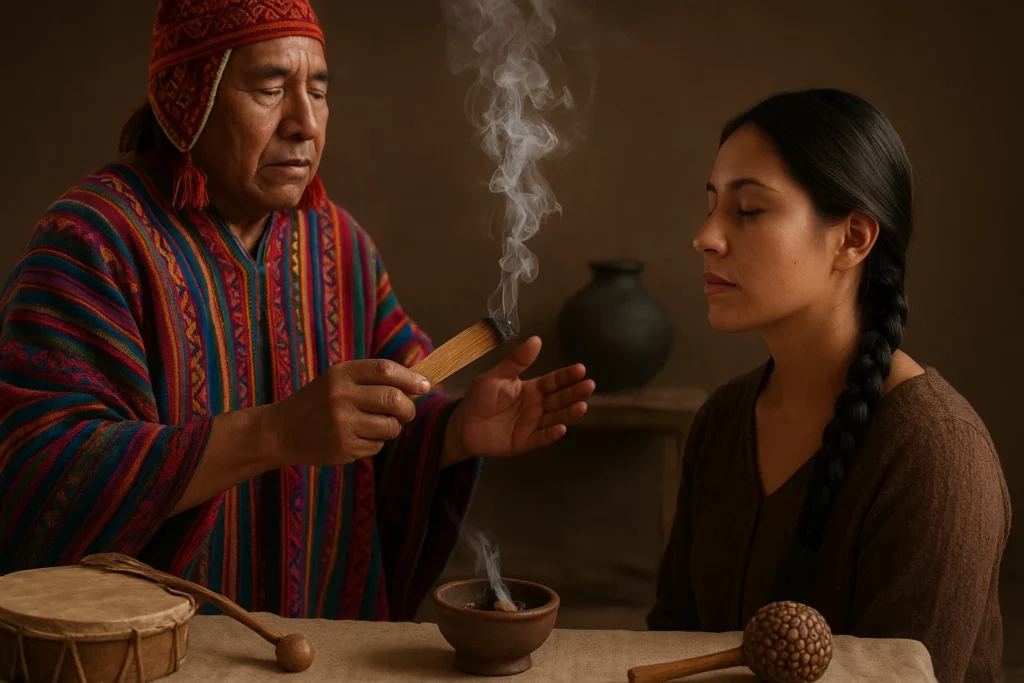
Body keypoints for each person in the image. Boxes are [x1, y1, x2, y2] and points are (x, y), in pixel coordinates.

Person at [0, 0, 594, 622]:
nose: (304, 123)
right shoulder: (94, 241)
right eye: (269, 88)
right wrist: (276, 434)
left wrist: (452, 432)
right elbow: (41, 487)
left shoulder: (338, 245)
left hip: (329, 650)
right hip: (162, 656)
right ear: (188, 102)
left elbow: (391, 410)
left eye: (317, 90)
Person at [647, 88, 1009, 683]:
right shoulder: (723, 417)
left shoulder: (938, 452)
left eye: (748, 210)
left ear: (853, 238)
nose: (705, 237)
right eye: (711, 206)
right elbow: (671, 643)